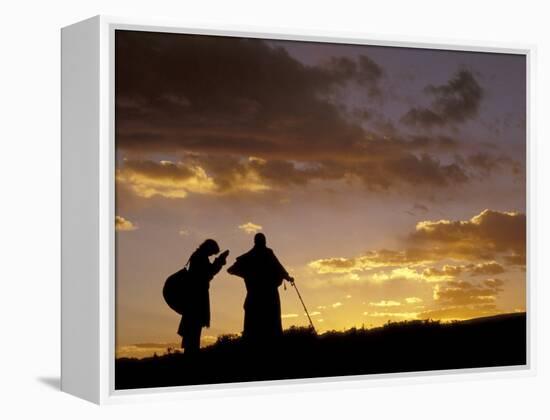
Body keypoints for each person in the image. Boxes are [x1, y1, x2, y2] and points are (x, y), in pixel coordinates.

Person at [227, 233, 294, 342]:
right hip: (269, 297)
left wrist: (247, 274)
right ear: (264, 241)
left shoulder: (248, 257)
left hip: (254, 297)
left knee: (253, 328)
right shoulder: (267, 254)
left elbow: (231, 269)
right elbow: (279, 267)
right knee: (271, 326)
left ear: (255, 241)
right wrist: (287, 277)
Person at [178, 239, 229, 355]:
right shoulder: (199, 257)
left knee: (193, 330)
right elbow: (208, 273)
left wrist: (218, 262)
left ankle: (191, 353)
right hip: (197, 298)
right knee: (193, 330)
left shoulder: (198, 256)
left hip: (195, 297)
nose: (211, 255)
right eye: (211, 253)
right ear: (208, 248)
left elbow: (208, 273)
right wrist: (219, 261)